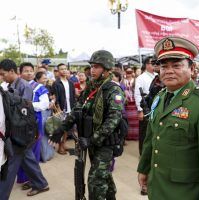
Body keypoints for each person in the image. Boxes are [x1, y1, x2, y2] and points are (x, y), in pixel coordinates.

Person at [137, 36, 199, 200]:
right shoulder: (161, 96)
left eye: (177, 65)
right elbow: (151, 137)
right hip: (158, 186)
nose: (168, 71)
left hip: (184, 192)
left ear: (192, 68)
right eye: (164, 66)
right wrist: (144, 168)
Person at [50, 50, 125, 200]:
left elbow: (113, 120)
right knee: (103, 176)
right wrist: (62, 128)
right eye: (92, 66)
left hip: (104, 144)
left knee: (95, 182)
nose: (92, 70)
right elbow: (78, 109)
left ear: (107, 69)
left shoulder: (113, 90)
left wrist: (92, 140)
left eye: (97, 66)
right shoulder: (91, 87)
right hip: (89, 141)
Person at [0, 59, 49, 199]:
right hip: (17, 131)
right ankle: (40, 183)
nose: (2, 77)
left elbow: (24, 111)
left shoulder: (24, 86)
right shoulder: (11, 84)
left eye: (3, 74)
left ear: (12, 72)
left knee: (13, 161)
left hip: (21, 131)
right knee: (26, 158)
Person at [134, 56, 157, 156]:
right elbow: (138, 94)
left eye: (156, 63)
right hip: (146, 107)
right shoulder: (141, 78)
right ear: (147, 65)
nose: (155, 65)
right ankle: (143, 153)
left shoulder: (157, 76)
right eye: (152, 63)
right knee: (144, 132)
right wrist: (140, 110)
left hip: (156, 107)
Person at [52, 63, 76, 154]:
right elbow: (55, 96)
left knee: (67, 127)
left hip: (70, 107)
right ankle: (60, 146)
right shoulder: (56, 83)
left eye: (65, 69)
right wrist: (58, 108)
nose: (64, 70)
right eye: (61, 69)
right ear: (58, 71)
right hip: (61, 109)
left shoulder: (70, 83)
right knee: (61, 128)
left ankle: (63, 143)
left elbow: (73, 96)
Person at [122, 66, 139, 140]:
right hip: (126, 103)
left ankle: (135, 136)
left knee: (135, 119)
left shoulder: (135, 80)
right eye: (127, 72)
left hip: (134, 102)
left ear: (132, 73)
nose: (129, 74)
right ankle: (128, 136)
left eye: (130, 72)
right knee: (128, 119)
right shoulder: (123, 81)